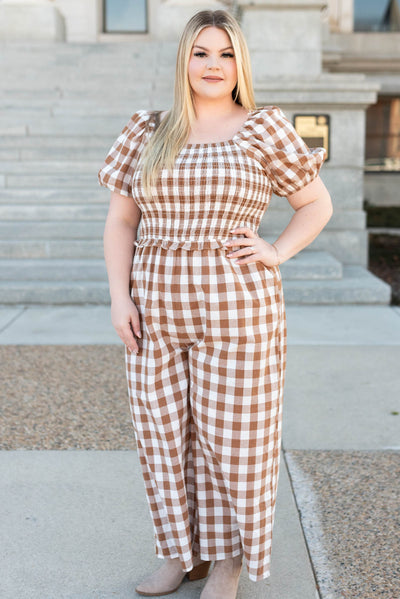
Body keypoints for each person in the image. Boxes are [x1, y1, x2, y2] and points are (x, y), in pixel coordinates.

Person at [98, 8, 332, 599]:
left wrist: (276, 250)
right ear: (184, 58)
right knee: (163, 434)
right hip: (155, 306)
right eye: (201, 52)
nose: (213, 64)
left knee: (235, 438)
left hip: (238, 304)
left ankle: (228, 560)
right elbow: (121, 221)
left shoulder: (263, 127)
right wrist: (118, 297)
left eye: (225, 54)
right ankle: (182, 554)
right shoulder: (149, 130)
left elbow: (316, 205)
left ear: (240, 63)